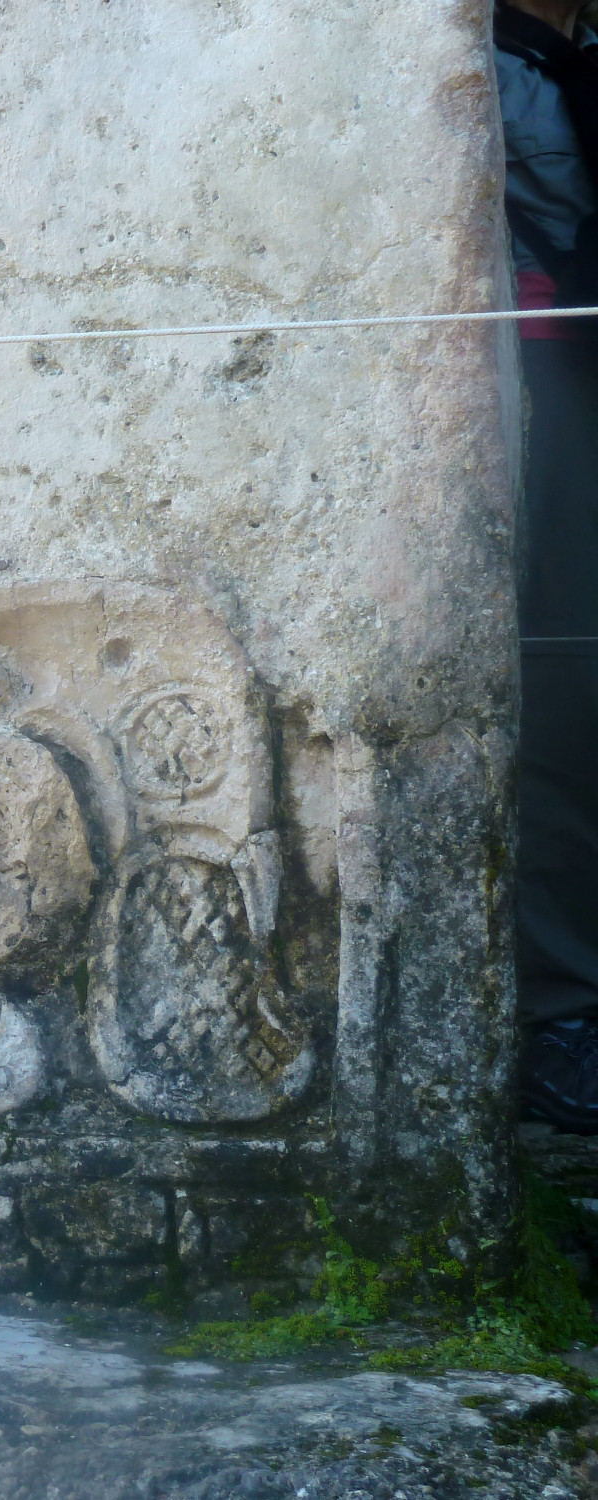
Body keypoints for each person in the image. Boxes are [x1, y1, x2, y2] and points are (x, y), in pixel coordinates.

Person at [497, 1, 598, 1127]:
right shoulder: (506, 60)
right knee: (559, 701)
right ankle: (562, 1019)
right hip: (541, 393)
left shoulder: (542, 58)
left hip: (564, 391)